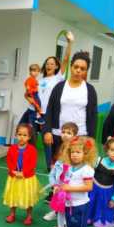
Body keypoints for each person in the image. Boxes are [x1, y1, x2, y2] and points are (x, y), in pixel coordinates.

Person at [21, 31, 74, 171]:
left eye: (52, 63)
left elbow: (66, 60)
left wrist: (69, 43)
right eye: (47, 63)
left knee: (47, 141)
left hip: (46, 115)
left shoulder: (58, 78)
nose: (49, 65)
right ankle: (28, 163)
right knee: (29, 139)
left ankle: (51, 165)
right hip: (33, 113)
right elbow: (29, 95)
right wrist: (28, 98)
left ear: (56, 66)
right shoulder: (39, 80)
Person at [43, 51, 98, 164]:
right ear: (71, 67)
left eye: (82, 68)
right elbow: (50, 110)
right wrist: (47, 131)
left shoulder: (90, 90)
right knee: (58, 168)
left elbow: (93, 116)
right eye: (76, 67)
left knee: (77, 171)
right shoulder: (59, 87)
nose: (78, 70)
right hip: (59, 135)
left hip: (81, 136)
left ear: (86, 71)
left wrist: (91, 138)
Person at [58, 136, 96, 227]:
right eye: (72, 152)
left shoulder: (87, 169)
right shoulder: (71, 167)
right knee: (71, 225)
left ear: (85, 153)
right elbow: (67, 181)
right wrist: (60, 187)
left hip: (80, 205)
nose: (74, 155)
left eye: (78, 152)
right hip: (69, 203)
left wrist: (68, 188)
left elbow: (88, 187)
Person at [46, 122, 79, 227]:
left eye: (69, 133)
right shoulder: (60, 150)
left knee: (70, 211)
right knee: (60, 210)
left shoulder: (76, 154)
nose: (65, 135)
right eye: (63, 132)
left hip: (70, 189)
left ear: (75, 135)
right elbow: (53, 173)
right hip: (59, 188)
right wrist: (54, 184)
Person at [3, 123, 41, 226]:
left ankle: (29, 216)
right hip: (14, 177)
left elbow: (32, 164)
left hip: (27, 178)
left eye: (25, 135)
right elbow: (9, 161)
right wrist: (13, 171)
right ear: (16, 135)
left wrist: (24, 173)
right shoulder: (12, 148)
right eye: (19, 134)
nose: (22, 137)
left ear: (29, 137)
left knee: (28, 197)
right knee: (13, 195)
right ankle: (12, 214)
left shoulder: (32, 150)